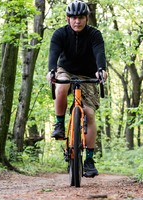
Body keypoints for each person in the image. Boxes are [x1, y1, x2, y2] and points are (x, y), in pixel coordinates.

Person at [47, 0, 107, 178]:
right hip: (66, 70)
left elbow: (99, 53)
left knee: (89, 113)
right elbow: (53, 54)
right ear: (68, 19)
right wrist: (51, 71)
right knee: (61, 86)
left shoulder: (94, 35)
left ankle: (89, 160)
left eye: (81, 18)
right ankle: (59, 124)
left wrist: (101, 70)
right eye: (73, 18)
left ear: (86, 18)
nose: (77, 21)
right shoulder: (60, 34)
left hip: (88, 74)